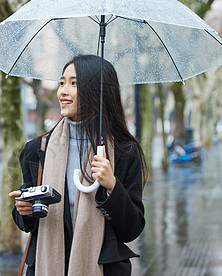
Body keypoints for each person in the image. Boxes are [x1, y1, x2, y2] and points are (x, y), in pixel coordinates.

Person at [9, 55, 147, 276]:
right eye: (62, 82)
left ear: (97, 90)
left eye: (74, 83)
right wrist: (24, 210)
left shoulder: (123, 151)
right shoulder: (37, 150)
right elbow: (26, 223)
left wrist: (112, 186)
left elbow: (132, 228)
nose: (63, 91)